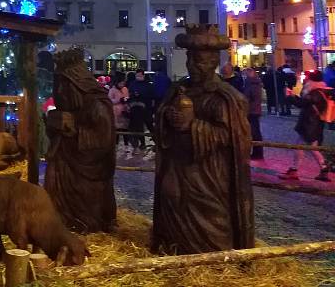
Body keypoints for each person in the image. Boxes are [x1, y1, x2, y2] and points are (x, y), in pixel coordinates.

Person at [152, 25, 254, 254]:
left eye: (199, 61)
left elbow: (233, 137)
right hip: (177, 167)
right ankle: (173, 247)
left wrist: (193, 126)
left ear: (213, 62)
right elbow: (160, 121)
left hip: (208, 174)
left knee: (210, 215)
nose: (192, 66)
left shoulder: (226, 98)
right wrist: (167, 117)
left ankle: (211, 256)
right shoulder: (179, 90)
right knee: (173, 202)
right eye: (190, 60)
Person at [45, 48, 116, 233]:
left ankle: (86, 224)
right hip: (64, 165)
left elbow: (103, 141)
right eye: (57, 84)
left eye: (64, 85)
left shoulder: (97, 105)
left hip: (88, 171)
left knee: (86, 208)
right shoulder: (68, 106)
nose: (59, 91)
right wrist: (53, 125)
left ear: (77, 84)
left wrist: (73, 128)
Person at [279, 70, 332, 182]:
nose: (305, 79)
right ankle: (324, 168)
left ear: (312, 79)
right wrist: (294, 96)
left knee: (299, 146)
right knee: (313, 148)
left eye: (307, 77)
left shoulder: (315, 92)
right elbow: (305, 102)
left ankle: (294, 171)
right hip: (314, 124)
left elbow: (302, 103)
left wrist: (289, 96)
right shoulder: (319, 91)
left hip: (310, 124)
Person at [243, 68, 265, 160]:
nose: (244, 76)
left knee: (255, 133)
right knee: (254, 132)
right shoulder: (253, 83)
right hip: (253, 110)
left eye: (245, 74)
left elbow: (251, 97)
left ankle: (258, 153)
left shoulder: (252, 84)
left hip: (252, 111)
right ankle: (256, 152)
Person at [108, 79, 130, 149]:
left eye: (123, 83)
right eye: (121, 83)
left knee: (125, 129)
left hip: (125, 110)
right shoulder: (112, 90)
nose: (122, 85)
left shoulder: (125, 89)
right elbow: (109, 100)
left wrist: (126, 100)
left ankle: (126, 145)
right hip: (116, 112)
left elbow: (127, 97)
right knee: (116, 129)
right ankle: (116, 145)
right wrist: (118, 100)